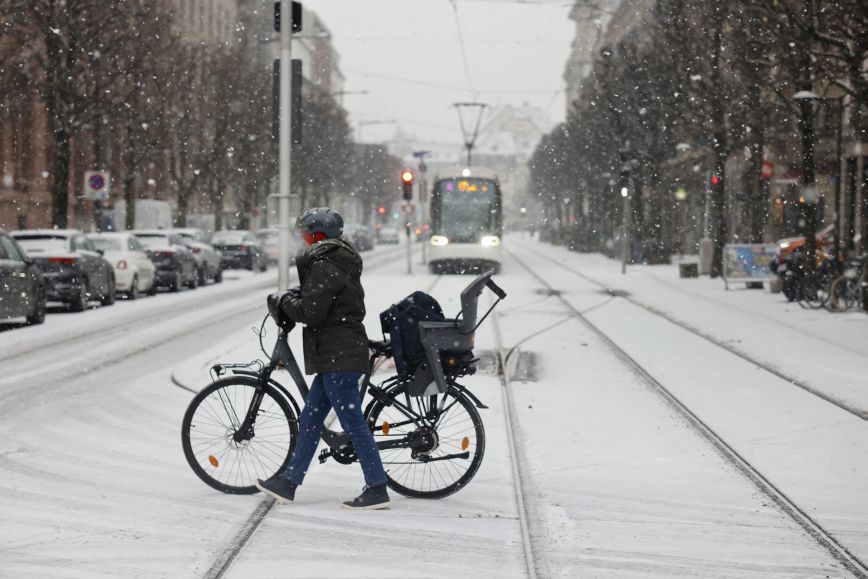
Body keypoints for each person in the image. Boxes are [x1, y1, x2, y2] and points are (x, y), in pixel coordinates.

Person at [255, 207, 390, 510]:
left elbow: (311, 312)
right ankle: (289, 482)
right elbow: (320, 301)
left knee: (353, 423)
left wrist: (288, 300)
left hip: (338, 355)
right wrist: (297, 296)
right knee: (311, 418)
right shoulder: (333, 261)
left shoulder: (326, 264)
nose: (302, 237)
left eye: (305, 231)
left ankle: (377, 487)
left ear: (318, 234)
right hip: (336, 353)